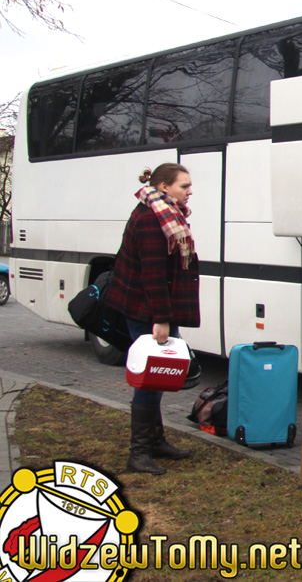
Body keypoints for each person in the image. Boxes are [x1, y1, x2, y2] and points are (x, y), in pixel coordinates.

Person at [107, 163, 200, 474]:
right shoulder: (152, 219)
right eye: (184, 186)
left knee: (157, 377)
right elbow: (153, 274)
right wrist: (161, 319)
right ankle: (140, 453)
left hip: (150, 307)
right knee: (150, 377)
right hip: (145, 309)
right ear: (163, 187)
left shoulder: (163, 212)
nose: (189, 191)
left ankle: (155, 442)